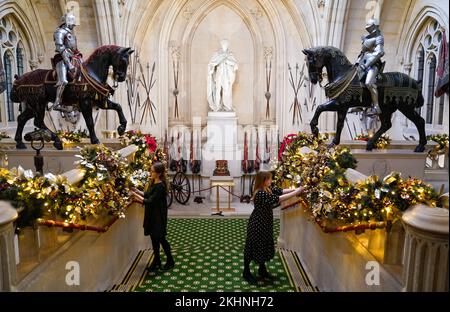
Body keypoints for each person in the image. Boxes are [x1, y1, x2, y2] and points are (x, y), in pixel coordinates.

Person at [242, 171, 303, 284]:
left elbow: (280, 191)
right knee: (253, 246)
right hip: (257, 223)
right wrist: (296, 192)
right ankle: (246, 272)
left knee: (264, 244)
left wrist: (296, 189)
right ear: (263, 181)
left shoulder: (267, 189)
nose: (271, 181)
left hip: (265, 222)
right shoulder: (260, 192)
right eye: (269, 179)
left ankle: (262, 269)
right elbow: (277, 199)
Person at [131, 162, 175, 272]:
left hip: (158, 217)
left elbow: (150, 201)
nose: (151, 173)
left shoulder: (160, 186)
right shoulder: (153, 183)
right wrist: (137, 191)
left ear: (159, 173)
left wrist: (134, 195)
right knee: (154, 240)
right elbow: (147, 194)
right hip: (152, 216)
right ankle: (157, 261)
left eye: (153, 171)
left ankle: (170, 260)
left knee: (161, 239)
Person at [52, 13, 82, 113]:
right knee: (63, 81)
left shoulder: (72, 35)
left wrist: (80, 59)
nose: (73, 25)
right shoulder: (59, 32)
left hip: (73, 58)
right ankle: (56, 103)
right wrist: (69, 64)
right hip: (62, 59)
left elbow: (75, 50)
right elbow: (60, 48)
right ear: (67, 22)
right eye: (72, 23)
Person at [357, 18, 385, 116]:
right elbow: (363, 52)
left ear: (374, 26)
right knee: (355, 80)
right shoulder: (367, 38)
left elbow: (379, 52)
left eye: (369, 27)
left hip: (373, 64)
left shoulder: (379, 38)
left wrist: (367, 64)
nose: (368, 29)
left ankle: (376, 107)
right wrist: (358, 62)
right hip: (362, 63)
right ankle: (360, 104)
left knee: (369, 83)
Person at [207, 39, 238, 112]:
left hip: (226, 76)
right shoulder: (217, 54)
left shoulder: (230, 54)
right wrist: (221, 59)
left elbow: (235, 64)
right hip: (219, 74)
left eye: (225, 44)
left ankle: (227, 106)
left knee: (226, 90)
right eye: (223, 44)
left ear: (227, 45)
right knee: (217, 90)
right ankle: (217, 107)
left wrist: (226, 60)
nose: (224, 45)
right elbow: (212, 63)